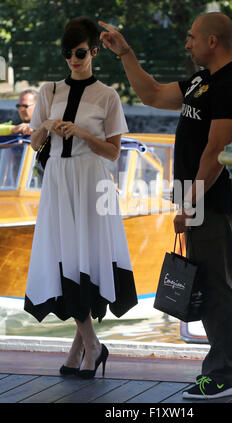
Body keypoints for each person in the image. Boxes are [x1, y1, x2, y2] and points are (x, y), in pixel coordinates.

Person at [99, 12, 232, 399]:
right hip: (194, 198)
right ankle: (225, 366)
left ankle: (224, 374)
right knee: (211, 280)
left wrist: (190, 203)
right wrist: (125, 53)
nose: (187, 43)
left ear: (212, 42)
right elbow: (151, 94)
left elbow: (217, 152)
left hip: (211, 201)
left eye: (192, 37)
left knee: (216, 284)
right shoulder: (202, 81)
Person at [24, 16, 137, 379]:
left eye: (80, 52)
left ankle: (86, 349)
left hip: (92, 181)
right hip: (58, 180)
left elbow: (114, 152)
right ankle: (90, 347)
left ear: (93, 52)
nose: (73, 59)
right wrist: (45, 126)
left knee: (86, 258)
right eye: (67, 53)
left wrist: (83, 135)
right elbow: (35, 144)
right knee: (65, 259)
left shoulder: (107, 95)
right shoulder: (48, 91)